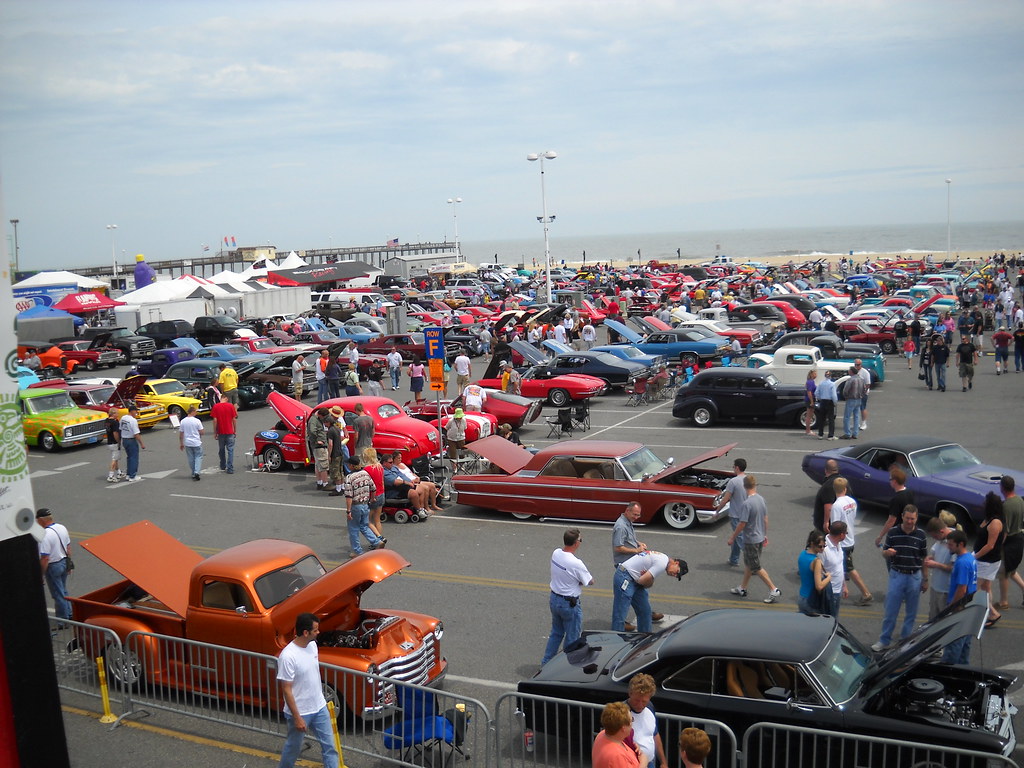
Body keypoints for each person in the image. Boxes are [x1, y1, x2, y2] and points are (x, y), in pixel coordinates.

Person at [276, 612, 339, 768]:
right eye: (315, 630)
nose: (318, 632)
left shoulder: (312, 646)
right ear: (305, 632)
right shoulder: (288, 657)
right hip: (300, 712)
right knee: (293, 749)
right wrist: (297, 718)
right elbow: (286, 689)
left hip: (319, 707)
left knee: (330, 747)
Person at [872, 505, 927, 651]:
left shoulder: (921, 535)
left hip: (915, 576)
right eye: (907, 518)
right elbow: (884, 552)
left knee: (911, 613)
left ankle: (905, 642)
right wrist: (887, 553)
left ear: (916, 518)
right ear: (902, 516)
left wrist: (925, 579)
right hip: (897, 575)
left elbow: (923, 558)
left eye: (912, 519)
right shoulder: (893, 532)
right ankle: (884, 640)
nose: (909, 521)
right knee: (891, 611)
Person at [541, 528, 594, 665]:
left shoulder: (556, 553)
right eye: (580, 540)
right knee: (572, 638)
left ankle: (546, 663)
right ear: (576, 543)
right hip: (569, 604)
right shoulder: (576, 563)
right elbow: (590, 581)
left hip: (555, 599)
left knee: (556, 633)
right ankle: (567, 667)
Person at [727, 474, 782, 603]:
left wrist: (732, 537)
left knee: (755, 566)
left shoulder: (747, 504)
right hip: (759, 538)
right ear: (755, 485)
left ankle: (773, 589)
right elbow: (765, 519)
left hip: (751, 540)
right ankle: (743, 588)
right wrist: (765, 534)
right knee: (749, 564)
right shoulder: (761, 499)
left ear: (744, 486)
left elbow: (742, 523)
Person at [612, 502, 665, 630]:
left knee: (642, 604)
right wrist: (636, 550)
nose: (636, 517)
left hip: (634, 569)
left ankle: (645, 625)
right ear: (627, 511)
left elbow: (629, 540)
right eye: (635, 514)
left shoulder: (628, 522)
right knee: (622, 605)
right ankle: (619, 628)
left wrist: (638, 543)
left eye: (638, 515)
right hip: (625, 569)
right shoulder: (621, 526)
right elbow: (618, 547)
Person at [825, 477, 873, 605]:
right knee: (843, 566)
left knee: (849, 568)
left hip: (842, 542)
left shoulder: (836, 506)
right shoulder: (852, 502)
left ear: (834, 489)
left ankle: (866, 593)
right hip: (850, 538)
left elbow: (835, 526)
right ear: (845, 489)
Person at [611, 550, 685, 634]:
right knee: (620, 613)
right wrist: (649, 581)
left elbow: (644, 580)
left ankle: (645, 637)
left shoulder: (663, 558)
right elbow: (643, 581)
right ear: (676, 563)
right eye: (677, 572)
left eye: (677, 576)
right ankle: (616, 637)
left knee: (645, 611)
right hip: (625, 577)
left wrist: (648, 579)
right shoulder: (662, 563)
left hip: (635, 580)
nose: (674, 575)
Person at [941, 531, 978, 665]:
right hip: (970, 605)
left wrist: (952, 606)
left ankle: (949, 668)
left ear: (960, 544)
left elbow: (961, 588)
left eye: (951, 545)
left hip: (961, 607)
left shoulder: (962, 563)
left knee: (954, 642)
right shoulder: (970, 558)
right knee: (965, 644)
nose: (948, 547)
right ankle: (963, 667)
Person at [974, 491, 1006, 628]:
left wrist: (974, 556)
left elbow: (990, 545)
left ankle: (989, 612)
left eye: (986, 503)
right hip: (985, 559)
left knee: (975, 588)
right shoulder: (989, 519)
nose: (983, 504)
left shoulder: (995, 522)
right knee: (986, 587)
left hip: (986, 562)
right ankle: (991, 613)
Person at [343, 456, 385, 556]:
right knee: (364, 526)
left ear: (352, 466)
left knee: (353, 528)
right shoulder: (365, 473)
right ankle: (376, 541)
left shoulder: (349, 477)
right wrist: (372, 498)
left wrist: (348, 511)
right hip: (365, 504)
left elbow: (349, 496)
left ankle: (357, 551)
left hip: (355, 506)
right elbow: (373, 488)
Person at [624, 674, 668, 768]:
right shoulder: (622, 711)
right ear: (630, 693)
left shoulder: (650, 707)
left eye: (644, 701)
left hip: (650, 762)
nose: (640, 705)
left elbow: (655, 734)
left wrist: (663, 762)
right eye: (636, 700)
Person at [37, 508, 72, 625]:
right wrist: (69, 564)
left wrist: (41, 575)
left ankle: (62, 620)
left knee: (58, 594)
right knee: (63, 590)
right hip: (64, 561)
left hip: (53, 566)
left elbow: (45, 558)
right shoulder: (62, 527)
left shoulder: (45, 535)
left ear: (41, 520)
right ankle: (69, 613)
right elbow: (68, 548)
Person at [923, 512, 957, 620]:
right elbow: (937, 554)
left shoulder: (954, 542)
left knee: (943, 620)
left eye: (935, 536)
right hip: (935, 587)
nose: (935, 539)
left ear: (941, 531)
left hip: (945, 590)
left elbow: (953, 568)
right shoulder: (940, 539)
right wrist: (931, 558)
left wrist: (936, 564)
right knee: (932, 618)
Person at [997, 475, 1024, 609]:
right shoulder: (1020, 500)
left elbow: (1005, 531)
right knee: (1011, 570)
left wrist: (997, 546)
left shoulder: (1006, 505)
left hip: (1010, 542)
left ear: (1002, 488)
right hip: (1019, 538)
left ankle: (1004, 602)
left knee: (1003, 573)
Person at [874, 467, 916, 548]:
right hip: (909, 528)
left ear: (894, 481)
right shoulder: (910, 492)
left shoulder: (896, 499)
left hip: (899, 531)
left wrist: (880, 536)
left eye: (890, 479)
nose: (889, 481)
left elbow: (891, 521)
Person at [716, 459, 747, 567]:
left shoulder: (733, 481)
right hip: (747, 513)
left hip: (736, 514)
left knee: (739, 537)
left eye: (733, 467)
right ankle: (734, 559)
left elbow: (725, 499)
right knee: (738, 536)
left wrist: (717, 511)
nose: (733, 469)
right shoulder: (748, 480)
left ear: (737, 467)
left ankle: (752, 562)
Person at [592, 702, 640, 768]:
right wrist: (644, 761)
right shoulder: (616, 756)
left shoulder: (602, 734)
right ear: (623, 728)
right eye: (631, 720)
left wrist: (633, 750)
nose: (632, 724)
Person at [797, 529, 831, 615]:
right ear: (812, 544)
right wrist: (829, 577)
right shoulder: (816, 561)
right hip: (811, 600)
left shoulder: (802, 554)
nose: (822, 549)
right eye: (820, 546)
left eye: (824, 546)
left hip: (802, 596)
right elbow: (819, 586)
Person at [820, 520, 849, 617]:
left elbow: (840, 566)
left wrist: (844, 586)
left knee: (834, 618)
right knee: (830, 619)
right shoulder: (824, 549)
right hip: (829, 592)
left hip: (838, 589)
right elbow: (818, 571)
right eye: (845, 533)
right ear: (841, 535)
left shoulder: (838, 544)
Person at [210, 392, 238, 474]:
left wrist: (215, 432)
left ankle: (222, 464)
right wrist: (235, 430)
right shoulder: (230, 406)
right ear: (226, 398)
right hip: (230, 431)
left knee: (221, 449)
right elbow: (234, 419)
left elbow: (215, 420)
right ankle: (230, 467)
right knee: (230, 450)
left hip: (221, 431)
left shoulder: (216, 406)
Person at [362, 447, 385, 538]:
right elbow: (382, 481)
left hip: (372, 496)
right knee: (377, 520)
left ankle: (378, 537)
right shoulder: (379, 467)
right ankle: (379, 536)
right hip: (381, 494)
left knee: (367, 520)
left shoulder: (366, 469)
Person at [326, 408, 350, 497]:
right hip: (340, 450)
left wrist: (329, 455)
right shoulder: (337, 429)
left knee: (336, 472)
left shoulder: (331, 431)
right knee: (340, 471)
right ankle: (342, 487)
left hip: (335, 453)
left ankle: (338, 489)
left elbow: (330, 444)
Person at [306, 406, 331, 491]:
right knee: (323, 465)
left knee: (318, 465)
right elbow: (312, 431)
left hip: (317, 446)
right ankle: (325, 484)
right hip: (319, 446)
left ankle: (319, 482)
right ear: (320, 415)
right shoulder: (314, 420)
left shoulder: (315, 419)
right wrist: (317, 440)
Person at [119, 404, 145, 482]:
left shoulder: (123, 418)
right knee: (134, 458)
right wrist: (141, 443)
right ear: (132, 411)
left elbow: (120, 428)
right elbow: (136, 433)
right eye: (136, 411)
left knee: (129, 457)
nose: (136, 413)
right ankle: (132, 476)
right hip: (131, 440)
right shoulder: (133, 420)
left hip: (124, 439)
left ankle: (128, 474)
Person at [178, 404, 204, 480]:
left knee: (191, 458)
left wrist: (181, 443)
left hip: (188, 443)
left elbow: (181, 434)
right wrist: (199, 433)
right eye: (195, 411)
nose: (196, 413)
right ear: (192, 412)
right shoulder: (197, 421)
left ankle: (193, 472)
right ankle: (197, 472)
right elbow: (202, 432)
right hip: (196, 442)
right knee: (198, 457)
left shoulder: (183, 421)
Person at [840, 365, 865, 439]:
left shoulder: (850, 380)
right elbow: (864, 389)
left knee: (847, 417)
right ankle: (855, 433)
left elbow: (845, 390)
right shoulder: (861, 379)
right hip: (859, 399)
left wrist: (845, 396)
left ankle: (847, 433)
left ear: (851, 372)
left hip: (851, 399)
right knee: (856, 417)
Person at [815, 370, 838, 440]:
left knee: (821, 418)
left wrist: (820, 398)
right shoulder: (832, 384)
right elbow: (834, 395)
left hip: (822, 401)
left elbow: (816, 393)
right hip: (829, 402)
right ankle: (830, 435)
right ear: (830, 376)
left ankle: (820, 434)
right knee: (831, 419)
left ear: (825, 376)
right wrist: (835, 402)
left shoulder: (821, 383)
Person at [104, 406, 122, 482]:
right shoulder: (114, 423)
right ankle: (111, 475)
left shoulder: (107, 421)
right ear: (113, 414)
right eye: (117, 413)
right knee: (114, 459)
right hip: (114, 442)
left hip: (109, 442)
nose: (118, 414)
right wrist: (118, 441)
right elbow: (115, 433)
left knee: (116, 457)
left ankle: (119, 472)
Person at [803, 370, 816, 436]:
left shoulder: (811, 381)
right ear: (811, 375)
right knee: (809, 415)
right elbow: (809, 392)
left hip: (810, 399)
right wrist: (811, 401)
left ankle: (808, 430)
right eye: (814, 374)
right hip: (809, 400)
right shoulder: (810, 382)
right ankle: (808, 430)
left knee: (810, 415)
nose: (816, 375)